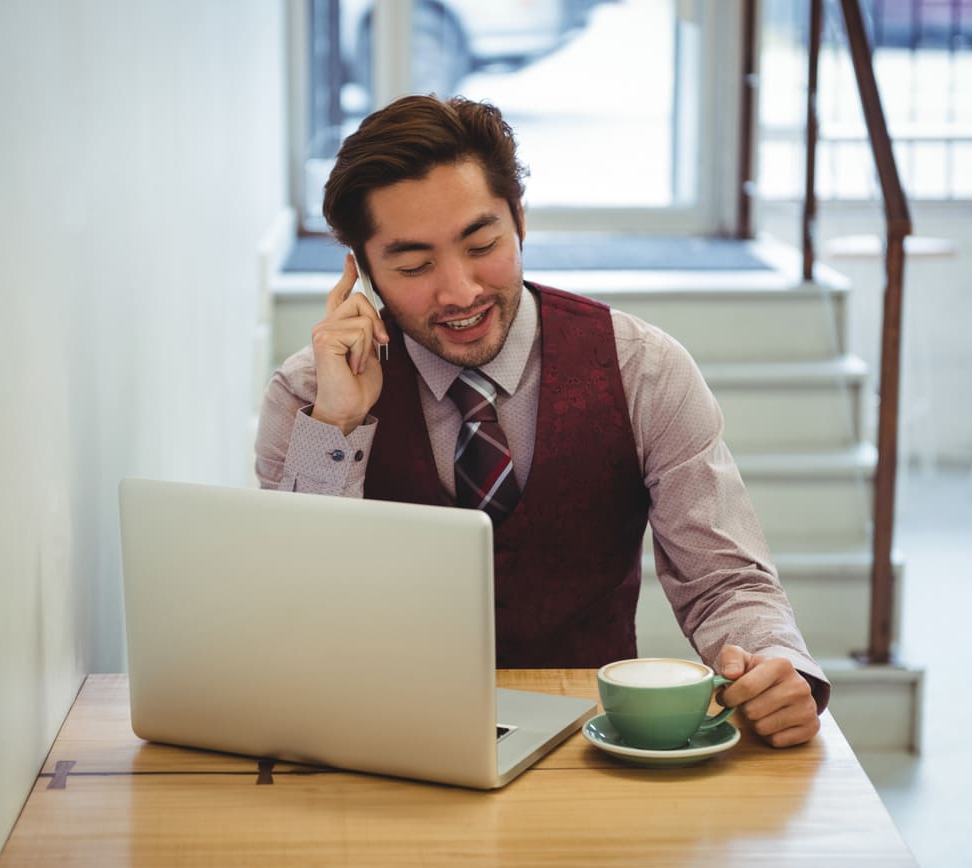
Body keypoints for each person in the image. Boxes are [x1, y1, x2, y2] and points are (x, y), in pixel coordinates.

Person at [256, 94, 828, 748]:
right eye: (414, 266)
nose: (460, 291)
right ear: (361, 272)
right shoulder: (310, 393)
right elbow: (292, 615)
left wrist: (776, 666)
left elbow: (724, 580)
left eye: (482, 244)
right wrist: (335, 425)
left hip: (593, 744)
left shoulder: (643, 369)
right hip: (380, 743)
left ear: (519, 221)